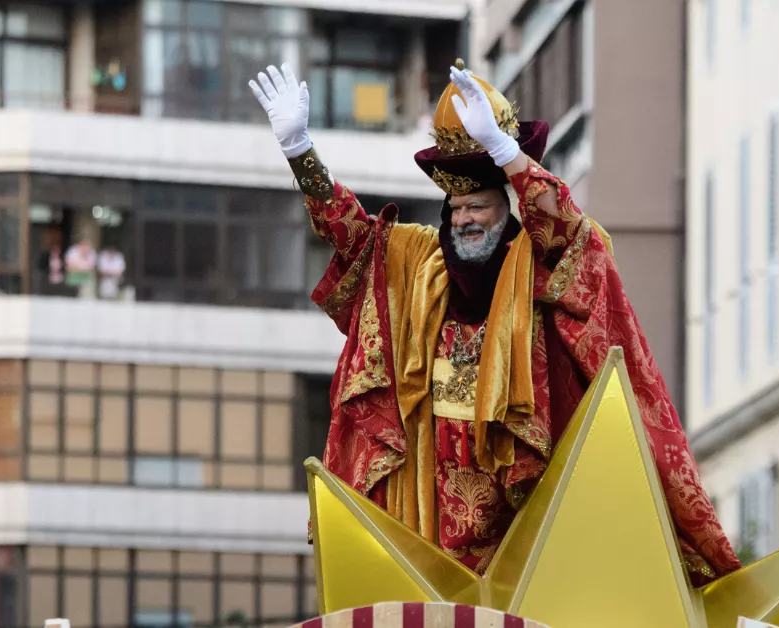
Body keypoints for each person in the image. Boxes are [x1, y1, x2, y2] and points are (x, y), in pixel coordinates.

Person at [249, 62, 741, 583]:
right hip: (428, 501)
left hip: (519, 496)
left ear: (506, 208)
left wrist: (506, 152)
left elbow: (568, 230)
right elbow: (352, 235)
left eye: (478, 206)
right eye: (457, 208)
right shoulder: (415, 261)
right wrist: (300, 150)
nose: (465, 219)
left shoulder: (540, 260)